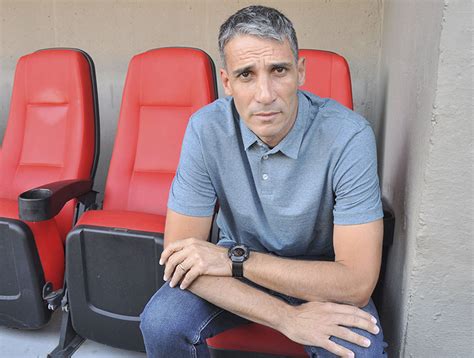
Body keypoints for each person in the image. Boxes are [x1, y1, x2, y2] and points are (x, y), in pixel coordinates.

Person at [140, 5, 386, 357]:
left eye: (279, 70)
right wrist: (287, 317)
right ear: (227, 83)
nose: (265, 94)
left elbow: (357, 283)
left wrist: (234, 261)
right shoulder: (205, 128)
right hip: (233, 266)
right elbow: (180, 255)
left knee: (360, 352)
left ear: (300, 72)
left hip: (316, 273)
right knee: (161, 323)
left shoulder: (349, 136)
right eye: (246, 75)